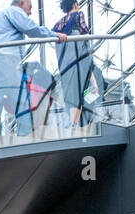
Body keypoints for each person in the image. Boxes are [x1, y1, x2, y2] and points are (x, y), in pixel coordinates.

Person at [0, 0, 67, 141]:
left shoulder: (1, 15)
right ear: (21, 3)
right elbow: (31, 29)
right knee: (11, 98)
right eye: (29, 7)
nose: (30, 12)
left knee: (12, 97)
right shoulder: (14, 11)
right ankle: (24, 135)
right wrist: (54, 35)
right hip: (4, 58)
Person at [51, 0, 94, 129]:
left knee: (70, 91)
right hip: (77, 56)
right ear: (75, 4)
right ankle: (75, 124)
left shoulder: (60, 22)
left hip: (65, 61)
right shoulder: (78, 14)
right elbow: (84, 30)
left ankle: (72, 122)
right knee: (84, 89)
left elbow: (52, 34)